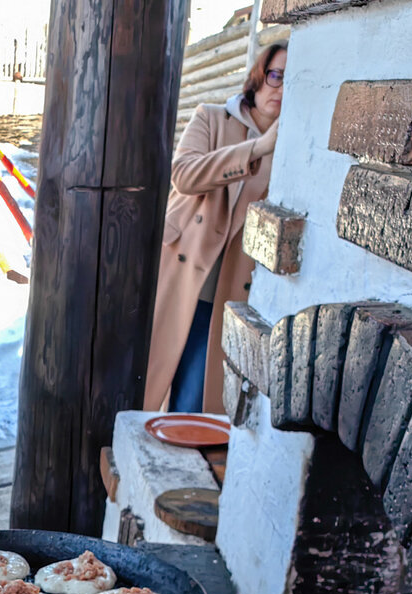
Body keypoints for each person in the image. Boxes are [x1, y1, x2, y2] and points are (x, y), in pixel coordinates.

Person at [145, 42, 286, 414]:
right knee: (144, 386)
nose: (281, 88)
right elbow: (185, 175)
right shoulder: (211, 118)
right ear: (258, 78)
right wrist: (256, 150)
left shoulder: (293, 149)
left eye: (292, 80)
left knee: (194, 404)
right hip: (178, 275)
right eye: (276, 75)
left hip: (229, 292)